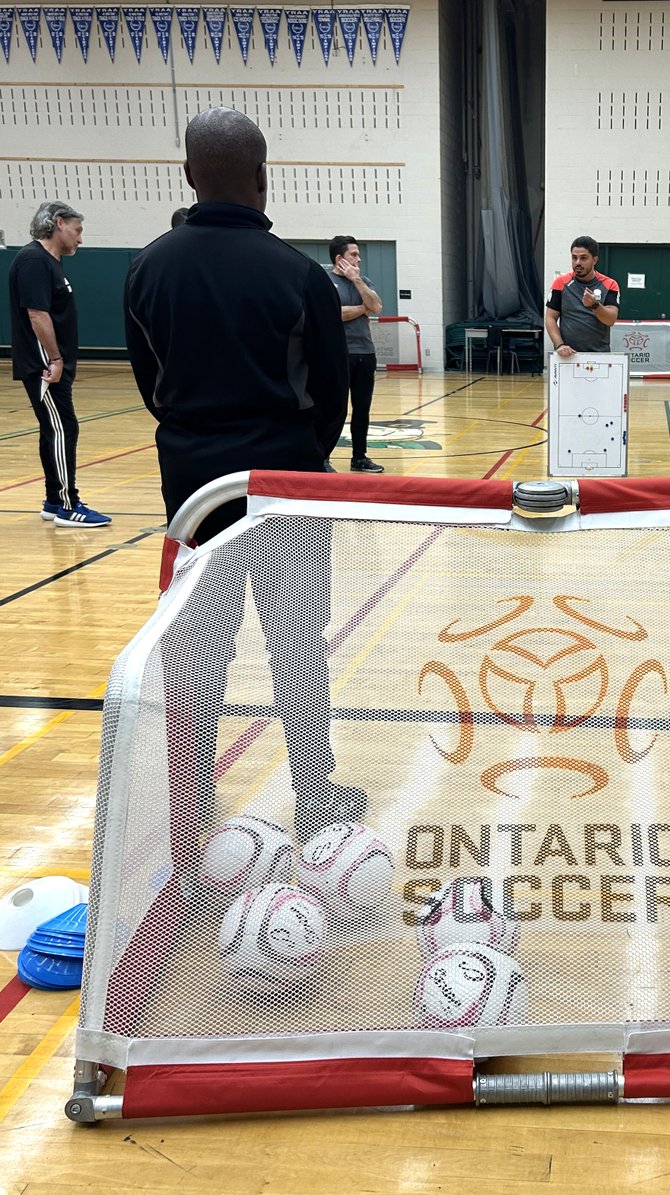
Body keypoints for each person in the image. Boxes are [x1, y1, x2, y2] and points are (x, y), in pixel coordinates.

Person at [123, 106, 366, 840]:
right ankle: (314, 793)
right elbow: (330, 396)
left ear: (190, 176)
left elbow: (147, 384)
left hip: (194, 498)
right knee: (297, 641)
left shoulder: (147, 268)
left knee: (201, 644)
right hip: (287, 492)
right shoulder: (297, 275)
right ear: (264, 178)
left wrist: (197, 442)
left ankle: (191, 807)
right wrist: (296, 455)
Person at [7, 201, 112, 527]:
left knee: (55, 428)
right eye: (77, 230)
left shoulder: (47, 262)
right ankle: (68, 504)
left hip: (51, 363)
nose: (80, 239)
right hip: (44, 364)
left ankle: (54, 499)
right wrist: (54, 358)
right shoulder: (34, 260)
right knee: (64, 427)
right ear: (59, 223)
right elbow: (37, 314)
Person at [328, 234, 384, 473]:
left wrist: (357, 281)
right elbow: (332, 313)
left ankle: (359, 458)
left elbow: (378, 307)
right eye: (354, 254)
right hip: (337, 353)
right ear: (340, 258)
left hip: (365, 353)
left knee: (362, 408)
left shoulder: (364, 280)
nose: (359, 259)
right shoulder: (325, 281)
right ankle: (323, 457)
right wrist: (363, 309)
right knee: (334, 407)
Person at [545, 235, 620, 357]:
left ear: (594, 260)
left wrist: (595, 305)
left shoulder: (610, 284)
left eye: (583, 258)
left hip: (599, 355)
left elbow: (610, 320)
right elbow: (550, 318)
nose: (577, 263)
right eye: (574, 258)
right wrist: (560, 345)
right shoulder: (560, 283)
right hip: (568, 356)